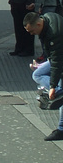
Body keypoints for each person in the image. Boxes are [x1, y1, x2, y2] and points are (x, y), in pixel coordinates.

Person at [24, 12, 63, 140]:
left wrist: (52, 86)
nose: (31, 34)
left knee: (60, 96)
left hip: (60, 59)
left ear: (39, 24)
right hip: (57, 57)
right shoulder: (47, 18)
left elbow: (57, 63)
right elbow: (52, 56)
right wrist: (41, 64)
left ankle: (61, 129)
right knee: (38, 73)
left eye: (32, 31)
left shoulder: (54, 34)